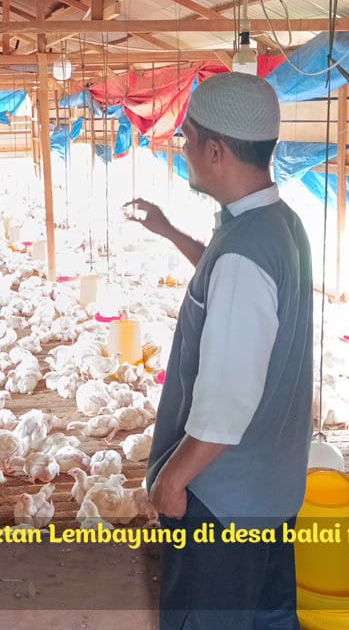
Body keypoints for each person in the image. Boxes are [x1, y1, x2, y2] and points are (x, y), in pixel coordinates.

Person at [126, 72, 313, 630]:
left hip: (224, 507)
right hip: (272, 493)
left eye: (186, 138)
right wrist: (169, 232)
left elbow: (226, 404)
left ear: (215, 149)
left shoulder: (244, 256)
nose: (182, 149)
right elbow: (224, 269)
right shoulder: (279, 226)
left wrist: (173, 480)